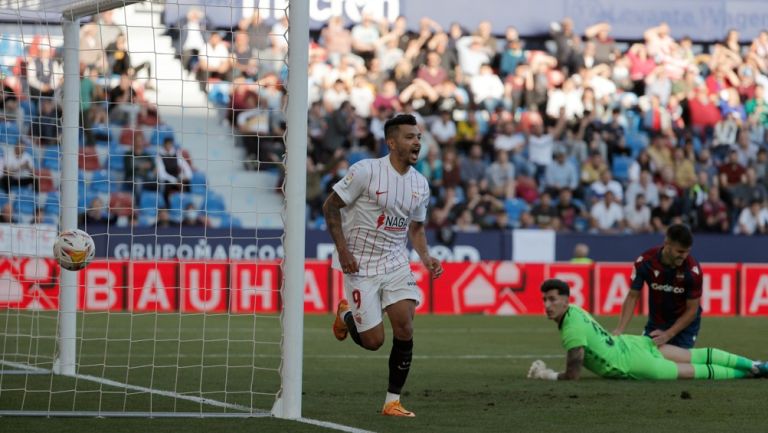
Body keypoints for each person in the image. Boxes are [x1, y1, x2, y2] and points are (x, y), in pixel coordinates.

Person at [323, 114, 443, 417]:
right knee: (373, 341)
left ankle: (392, 401)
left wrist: (426, 258)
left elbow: (415, 229)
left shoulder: (420, 184)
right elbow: (330, 206)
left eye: (418, 136)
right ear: (391, 143)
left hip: (394, 262)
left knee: (405, 326)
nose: (416, 142)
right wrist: (343, 251)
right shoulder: (365, 172)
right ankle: (345, 313)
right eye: (409, 137)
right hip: (359, 265)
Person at [528, 278, 768, 380]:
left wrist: (547, 375)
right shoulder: (576, 311)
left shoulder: (571, 327)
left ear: (565, 300)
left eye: (552, 299)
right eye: (544, 300)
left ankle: (747, 373)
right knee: (696, 355)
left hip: (635, 364)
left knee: (693, 371)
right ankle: (756, 366)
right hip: (635, 343)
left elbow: (572, 376)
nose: (547, 305)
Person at [613, 224, 702, 349]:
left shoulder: (692, 271)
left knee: (677, 363)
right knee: (644, 361)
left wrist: (668, 334)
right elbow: (632, 297)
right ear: (667, 244)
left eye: (687, 251)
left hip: (684, 327)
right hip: (656, 323)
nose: (684, 256)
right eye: (680, 251)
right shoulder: (645, 261)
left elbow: (692, 310)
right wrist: (619, 330)